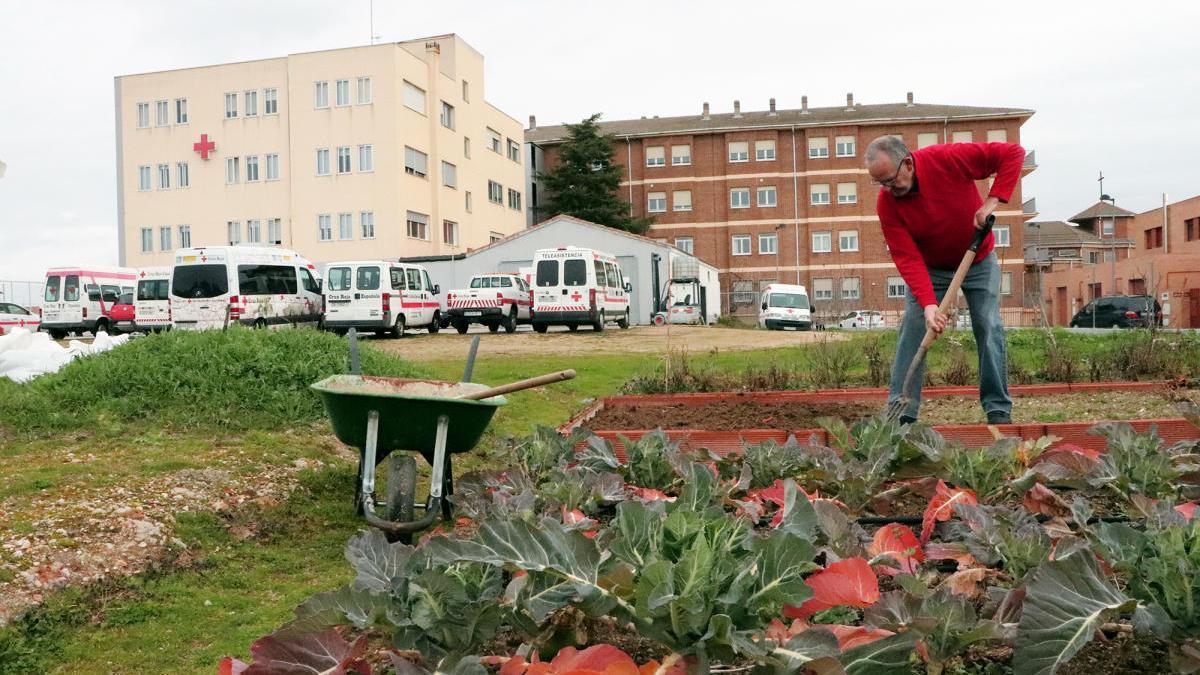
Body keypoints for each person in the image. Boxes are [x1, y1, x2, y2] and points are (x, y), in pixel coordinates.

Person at [865, 135, 1026, 425]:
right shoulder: (887, 204)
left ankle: (997, 408)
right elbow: (906, 257)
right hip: (930, 267)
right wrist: (928, 304)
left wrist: (992, 201)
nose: (888, 189)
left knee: (988, 325)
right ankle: (901, 412)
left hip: (977, 258)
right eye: (881, 184)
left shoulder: (947, 159)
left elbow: (1012, 153)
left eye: (890, 180)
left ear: (908, 164)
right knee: (913, 329)